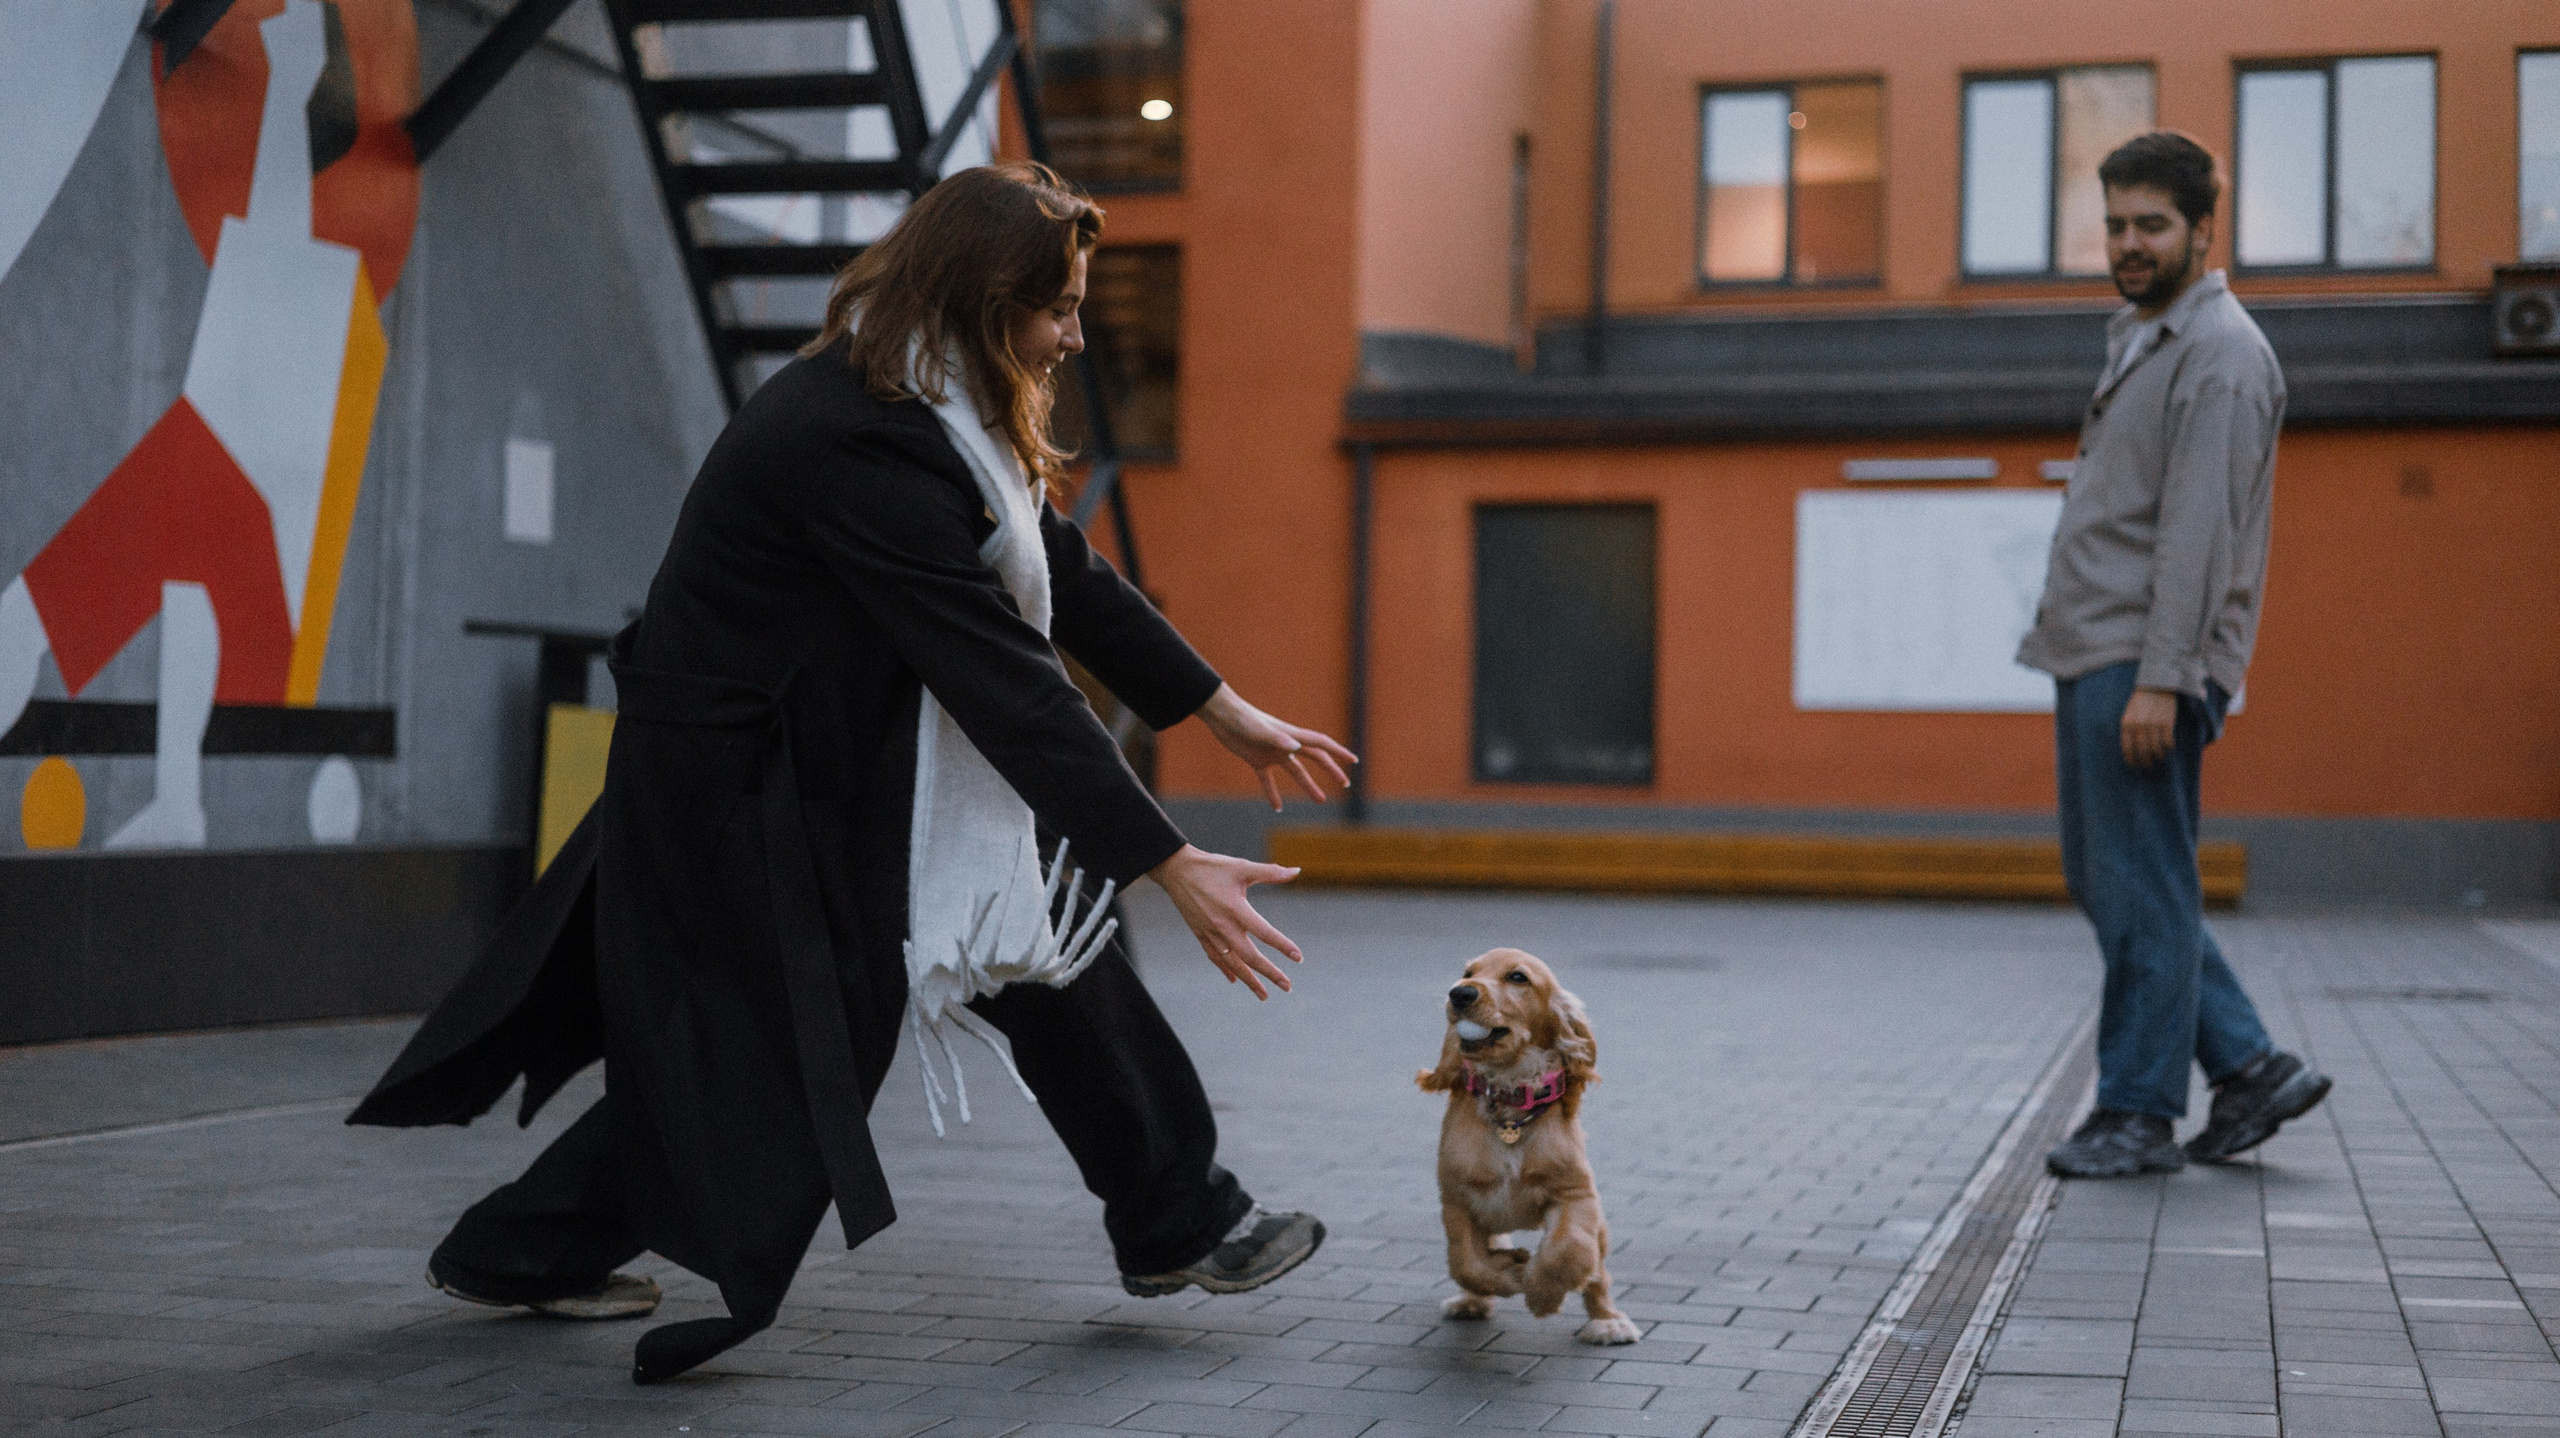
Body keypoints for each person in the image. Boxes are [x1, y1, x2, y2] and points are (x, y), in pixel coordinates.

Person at [349, 162, 1358, 1383]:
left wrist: (1220, 709)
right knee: (773, 1053)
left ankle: (1175, 1217)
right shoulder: (857, 435)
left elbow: (1059, 570)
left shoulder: (932, 403)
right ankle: (522, 1246)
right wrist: (1165, 856)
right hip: (741, 791)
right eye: (1058, 309)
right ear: (986, 302)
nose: (1075, 334)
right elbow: (996, 669)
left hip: (844, 760)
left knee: (1045, 934)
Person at [2018, 133, 2331, 1180]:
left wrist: (2162, 676)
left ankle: (2137, 1112)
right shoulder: (2145, 337)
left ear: (2205, 228)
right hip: (2094, 646)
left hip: (2139, 661)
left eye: (2151, 224)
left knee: (2139, 881)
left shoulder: (2221, 355)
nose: (2128, 243)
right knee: (2116, 877)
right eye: (2114, 224)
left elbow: (2196, 536)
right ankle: (2245, 1066)